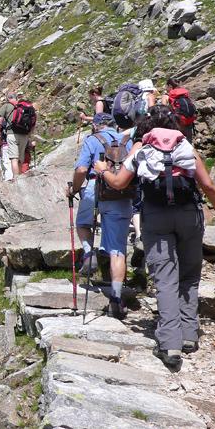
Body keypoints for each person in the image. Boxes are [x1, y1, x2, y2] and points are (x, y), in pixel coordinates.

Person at [93, 105, 215, 370]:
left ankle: (170, 343)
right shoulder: (185, 146)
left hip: (156, 216)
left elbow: (119, 183)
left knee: (165, 278)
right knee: (189, 275)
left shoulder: (142, 149)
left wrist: (102, 170)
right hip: (190, 215)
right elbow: (209, 186)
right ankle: (189, 335)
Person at [67, 113, 134, 319]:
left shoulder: (92, 140)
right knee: (117, 250)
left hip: (95, 189)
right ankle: (115, 298)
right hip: (121, 193)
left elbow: (81, 169)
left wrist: (74, 189)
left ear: (95, 126)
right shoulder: (128, 141)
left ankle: (89, 253)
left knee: (82, 224)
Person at [0, 91, 36, 178]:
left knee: (14, 158)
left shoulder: (6, 106)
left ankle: (16, 180)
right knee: (20, 159)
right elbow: (33, 124)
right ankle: (21, 179)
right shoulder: (25, 107)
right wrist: (28, 136)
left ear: (7, 98)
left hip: (12, 134)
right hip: (24, 135)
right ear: (16, 97)